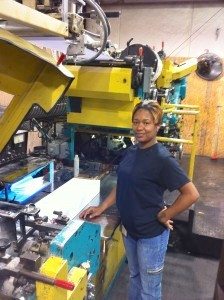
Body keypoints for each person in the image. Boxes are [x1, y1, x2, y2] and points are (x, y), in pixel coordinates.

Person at [80, 100, 199, 300]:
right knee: (135, 277)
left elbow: (191, 193)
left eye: (146, 123)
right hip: (129, 231)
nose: (140, 127)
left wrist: (165, 214)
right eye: (136, 122)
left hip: (150, 235)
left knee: (149, 290)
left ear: (157, 126)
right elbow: (123, 184)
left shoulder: (162, 159)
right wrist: (102, 207)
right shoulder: (133, 150)